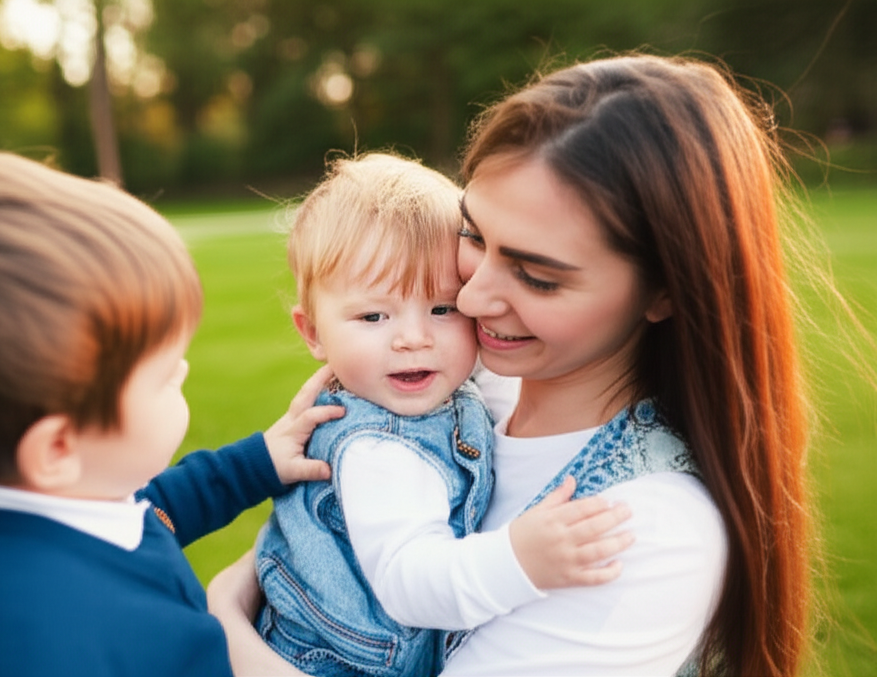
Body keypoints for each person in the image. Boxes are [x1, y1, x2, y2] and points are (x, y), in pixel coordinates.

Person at [208, 53, 815, 677]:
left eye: (536, 276)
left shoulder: (642, 529)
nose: (470, 298)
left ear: (664, 291)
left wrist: (225, 618)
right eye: (473, 237)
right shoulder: (440, 399)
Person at [0, 143, 344, 677]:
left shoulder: (40, 498)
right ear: (57, 448)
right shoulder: (11, 645)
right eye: (163, 376)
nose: (182, 373)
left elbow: (149, 513)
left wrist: (258, 462)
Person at [253, 152, 635, 677]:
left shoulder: (444, 384)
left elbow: (498, 390)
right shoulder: (376, 449)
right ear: (314, 333)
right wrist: (520, 559)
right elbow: (410, 583)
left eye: (442, 308)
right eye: (373, 316)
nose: (414, 338)